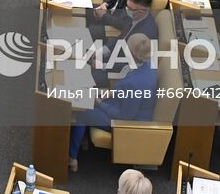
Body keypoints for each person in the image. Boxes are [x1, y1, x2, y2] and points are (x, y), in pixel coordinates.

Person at [67, 33, 157, 171]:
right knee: (87, 96)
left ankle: (72, 159)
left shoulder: (135, 84)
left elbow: (125, 116)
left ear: (132, 53)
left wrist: (100, 103)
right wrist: (110, 93)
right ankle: (82, 141)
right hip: (121, 104)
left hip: (126, 123)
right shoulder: (148, 65)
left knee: (83, 111)